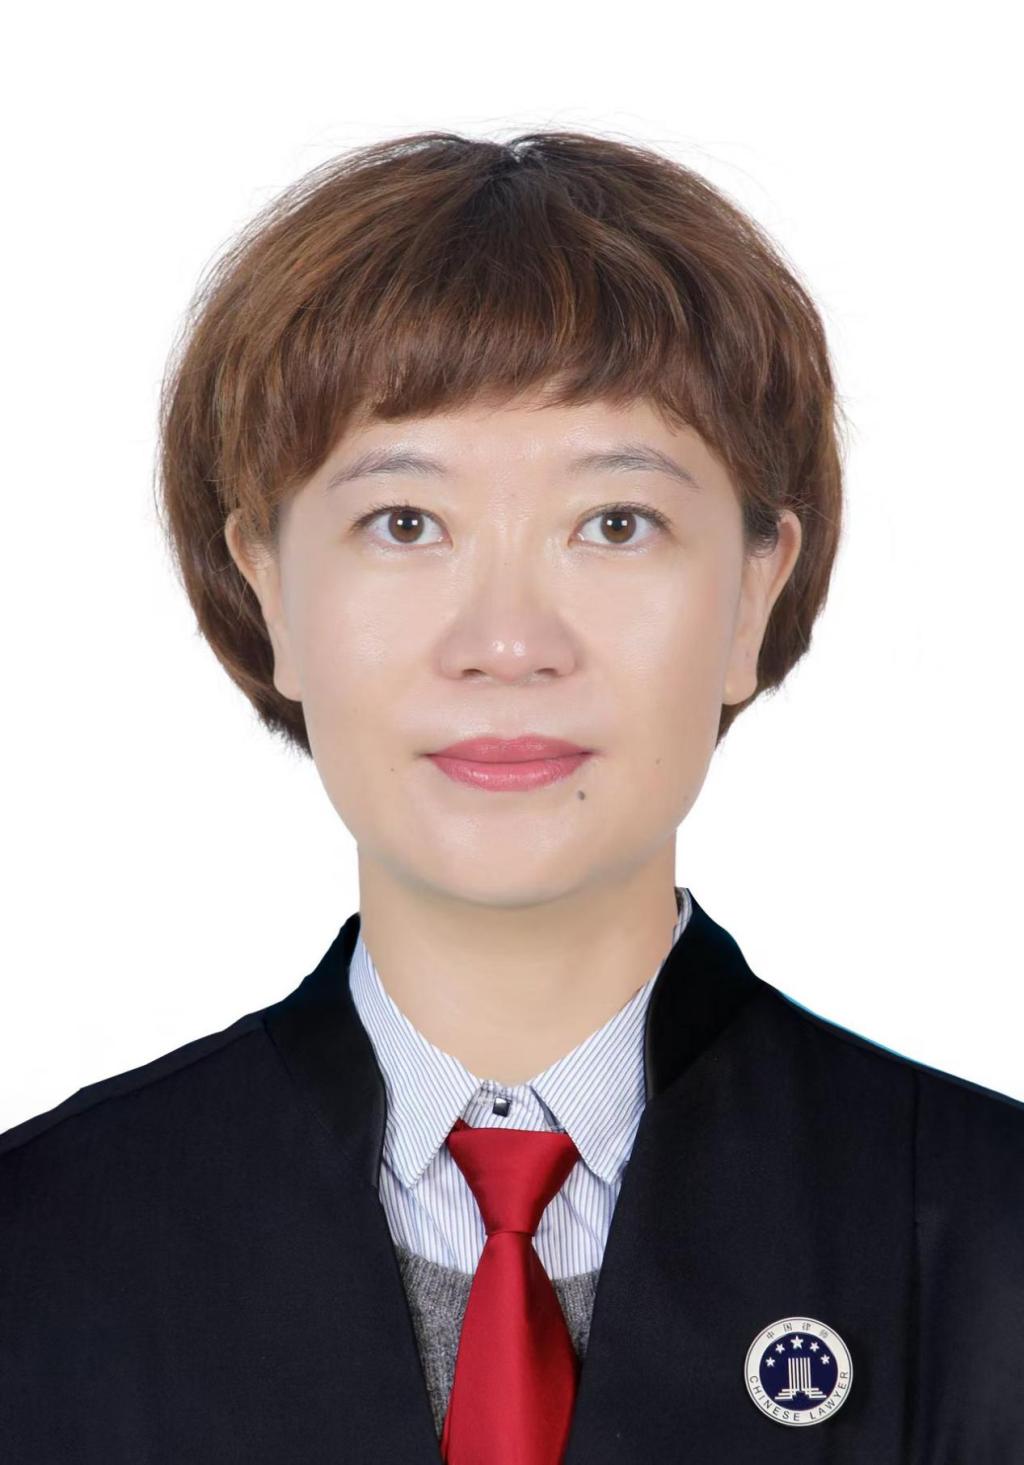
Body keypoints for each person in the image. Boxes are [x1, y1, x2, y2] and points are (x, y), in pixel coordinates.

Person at [1, 128, 1021, 1464]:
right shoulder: (40, 1256)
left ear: (754, 594)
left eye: (615, 524)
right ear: (271, 591)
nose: (506, 640)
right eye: (404, 524)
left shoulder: (986, 1239)